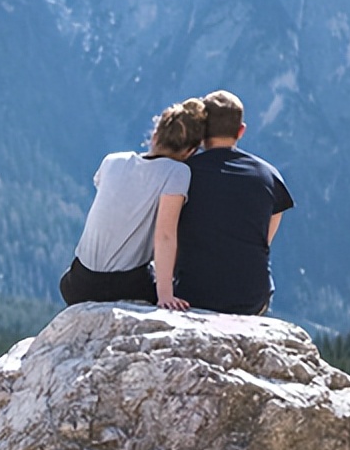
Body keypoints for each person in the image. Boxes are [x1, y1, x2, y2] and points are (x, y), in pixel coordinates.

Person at [60, 99, 206, 311]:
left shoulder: (112, 161)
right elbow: (165, 235)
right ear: (190, 152)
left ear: (155, 136)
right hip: (124, 285)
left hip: (78, 283)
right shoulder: (177, 172)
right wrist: (165, 295)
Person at [174, 90, 294, 315]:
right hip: (251, 300)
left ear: (201, 132)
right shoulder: (269, 176)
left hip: (193, 295)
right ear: (241, 131)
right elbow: (263, 240)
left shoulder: (182, 174)